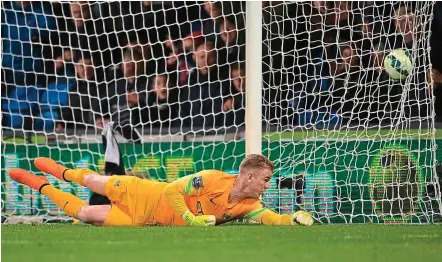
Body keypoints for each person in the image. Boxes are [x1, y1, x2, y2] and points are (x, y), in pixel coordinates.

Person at [8, 154, 313, 227]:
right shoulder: (211, 178)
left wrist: (294, 219)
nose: (267, 185)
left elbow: (271, 218)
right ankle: (58, 171)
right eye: (265, 180)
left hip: (144, 221)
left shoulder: (248, 204)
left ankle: (40, 185)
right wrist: (189, 218)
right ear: (248, 177)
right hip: (144, 192)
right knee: (89, 182)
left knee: (85, 212)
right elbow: (172, 192)